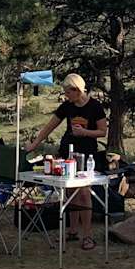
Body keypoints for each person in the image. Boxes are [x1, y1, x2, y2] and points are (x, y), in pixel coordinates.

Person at [25, 73, 108, 250]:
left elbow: (102, 132)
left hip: (87, 154)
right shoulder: (67, 106)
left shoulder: (95, 107)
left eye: (68, 92)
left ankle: (88, 236)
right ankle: (72, 231)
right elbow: (49, 126)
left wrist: (85, 133)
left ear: (77, 90)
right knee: (69, 192)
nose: (65, 95)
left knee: (85, 193)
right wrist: (34, 144)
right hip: (67, 152)